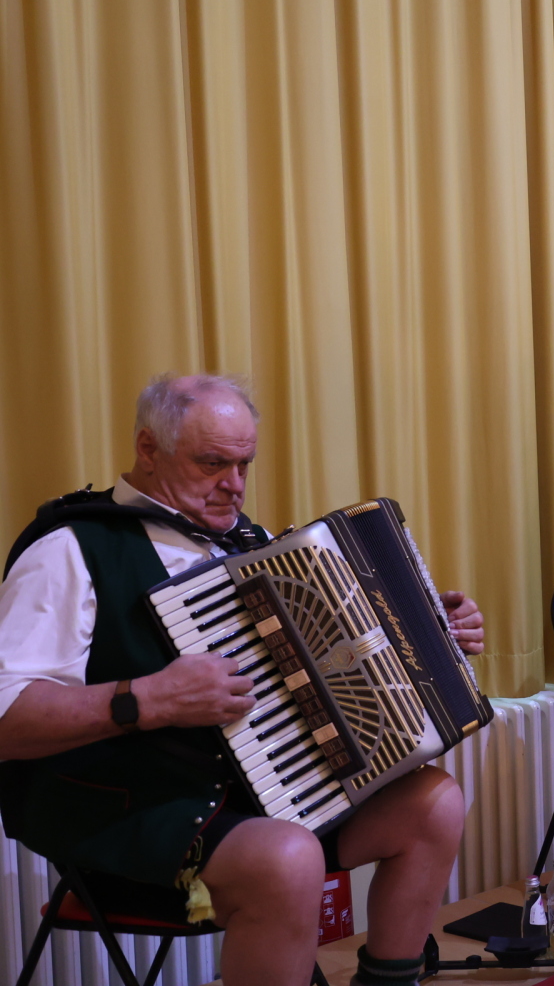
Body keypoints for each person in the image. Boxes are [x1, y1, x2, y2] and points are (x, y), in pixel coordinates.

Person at [0, 374, 486, 986]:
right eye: (211, 464)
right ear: (148, 449)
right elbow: (7, 719)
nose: (233, 485)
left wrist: (433, 634)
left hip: (271, 790)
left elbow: (326, 666)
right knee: (288, 858)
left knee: (434, 804)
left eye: (244, 465)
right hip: (133, 808)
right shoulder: (70, 550)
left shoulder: (246, 541)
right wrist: (147, 699)